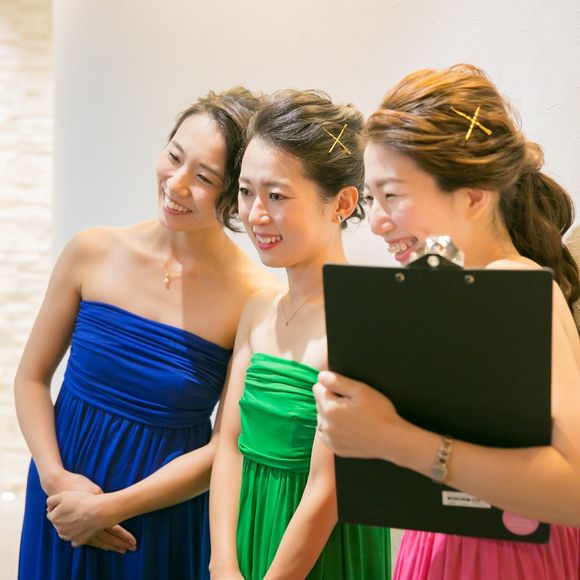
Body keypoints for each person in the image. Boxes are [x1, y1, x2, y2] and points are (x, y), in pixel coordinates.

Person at [313, 64, 580, 580]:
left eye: (393, 195)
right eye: (371, 198)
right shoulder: (451, 292)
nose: (376, 222)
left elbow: (574, 490)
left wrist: (390, 438)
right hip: (444, 546)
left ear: (474, 196)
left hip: (503, 560)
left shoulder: (513, 284)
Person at [15, 87, 278, 580]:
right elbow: (31, 378)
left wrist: (107, 509)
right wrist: (56, 480)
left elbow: (225, 447)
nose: (176, 184)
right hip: (59, 506)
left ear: (233, 195)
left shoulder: (254, 297)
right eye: (174, 157)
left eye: (204, 177)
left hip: (156, 521)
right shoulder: (91, 251)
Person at [209, 89, 391, 579]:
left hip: (319, 554)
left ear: (342, 203)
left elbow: (327, 491)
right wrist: (221, 562)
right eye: (246, 191)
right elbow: (228, 445)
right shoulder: (257, 311)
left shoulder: (363, 321)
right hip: (244, 539)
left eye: (277, 195)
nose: (255, 214)